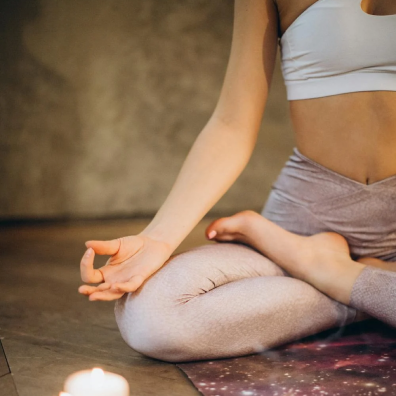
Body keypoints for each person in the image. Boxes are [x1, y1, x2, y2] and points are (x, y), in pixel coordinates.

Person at [78, 0, 396, 362]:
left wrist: (343, 276)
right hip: (302, 225)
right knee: (150, 317)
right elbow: (232, 125)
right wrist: (157, 238)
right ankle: (370, 287)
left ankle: (332, 272)